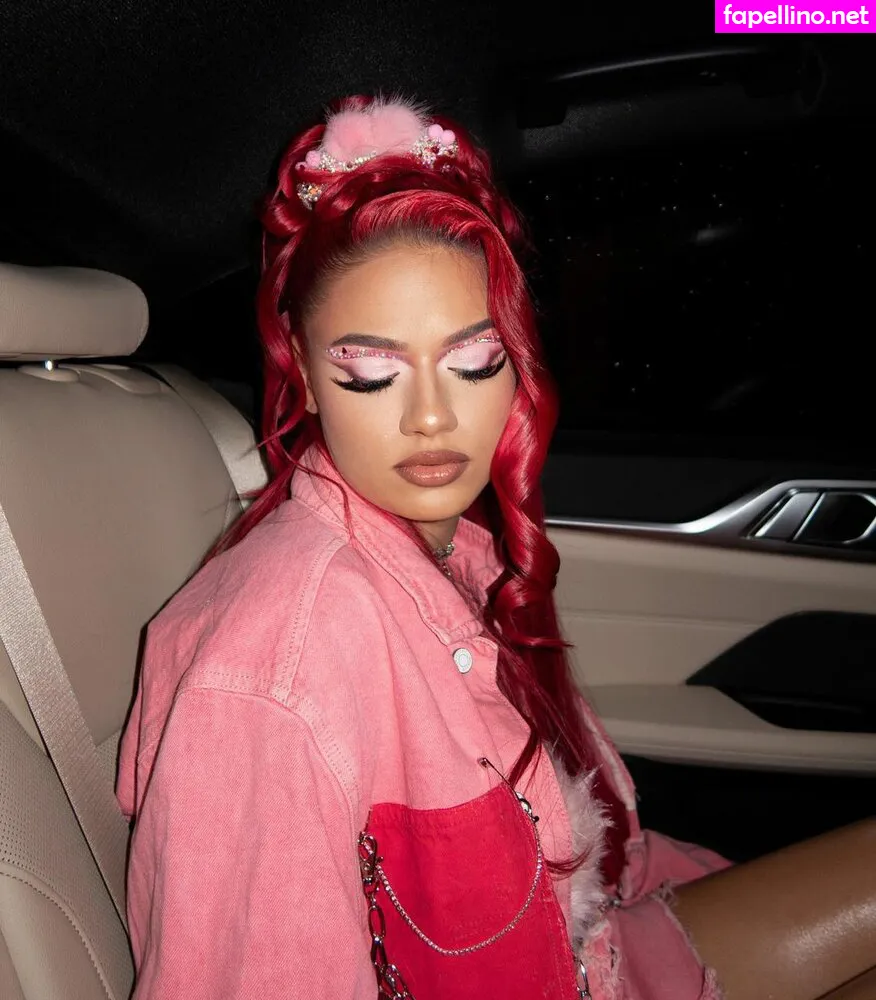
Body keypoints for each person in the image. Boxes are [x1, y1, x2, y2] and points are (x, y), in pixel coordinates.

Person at [117, 95, 876, 1000]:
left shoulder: (460, 556)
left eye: (474, 362)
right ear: (306, 379)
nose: (433, 417)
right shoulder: (271, 670)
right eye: (372, 372)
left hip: (600, 952)